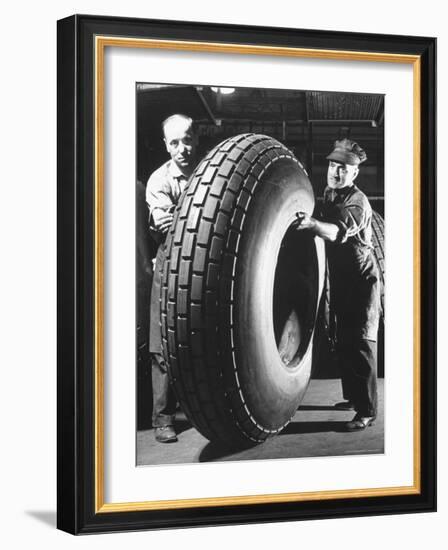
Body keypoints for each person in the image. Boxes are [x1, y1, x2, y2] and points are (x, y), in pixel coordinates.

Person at [296, 138, 380, 431]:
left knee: (361, 344)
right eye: (333, 166)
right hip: (341, 279)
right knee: (343, 340)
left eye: (343, 169)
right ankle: (354, 399)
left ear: (354, 173)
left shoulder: (357, 202)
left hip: (362, 281)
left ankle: (367, 411)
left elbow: (336, 231)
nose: (335, 172)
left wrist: (312, 225)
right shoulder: (330, 193)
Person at [145, 114, 197, 442]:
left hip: (207, 267)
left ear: (197, 138)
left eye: (187, 140)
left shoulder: (211, 172)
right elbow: (168, 227)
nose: (182, 148)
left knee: (201, 339)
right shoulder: (158, 180)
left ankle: (202, 411)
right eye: (174, 142)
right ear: (166, 145)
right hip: (169, 262)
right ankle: (163, 419)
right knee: (160, 344)